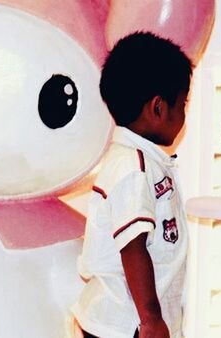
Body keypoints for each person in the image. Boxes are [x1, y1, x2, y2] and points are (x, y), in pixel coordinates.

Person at [71, 31, 193, 338]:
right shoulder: (133, 166)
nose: (184, 114)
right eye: (183, 104)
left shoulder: (141, 160)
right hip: (125, 323)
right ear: (157, 108)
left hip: (126, 320)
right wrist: (151, 320)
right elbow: (132, 246)